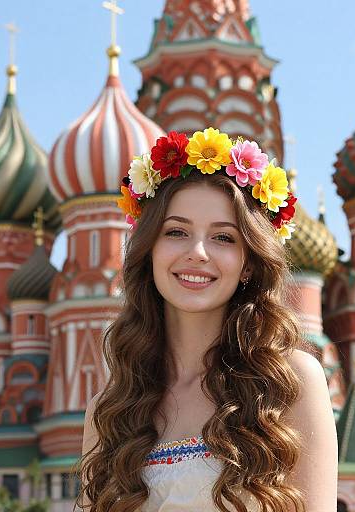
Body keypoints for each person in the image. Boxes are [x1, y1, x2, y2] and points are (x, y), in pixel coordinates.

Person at [77, 128, 338, 511]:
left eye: (224, 238)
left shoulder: (289, 383)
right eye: (177, 232)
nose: (197, 252)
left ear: (248, 264)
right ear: (150, 251)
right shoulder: (112, 408)